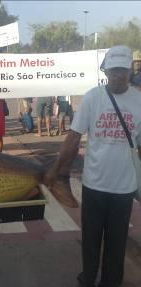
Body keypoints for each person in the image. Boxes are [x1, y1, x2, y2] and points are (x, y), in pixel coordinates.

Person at [44, 45, 141, 287]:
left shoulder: (139, 100)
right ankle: (88, 278)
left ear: (130, 70)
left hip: (124, 188)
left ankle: (110, 282)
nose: (118, 75)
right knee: (90, 240)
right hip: (94, 185)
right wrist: (55, 170)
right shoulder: (93, 98)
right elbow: (73, 138)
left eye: (123, 70)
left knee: (116, 243)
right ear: (106, 71)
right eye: (114, 70)